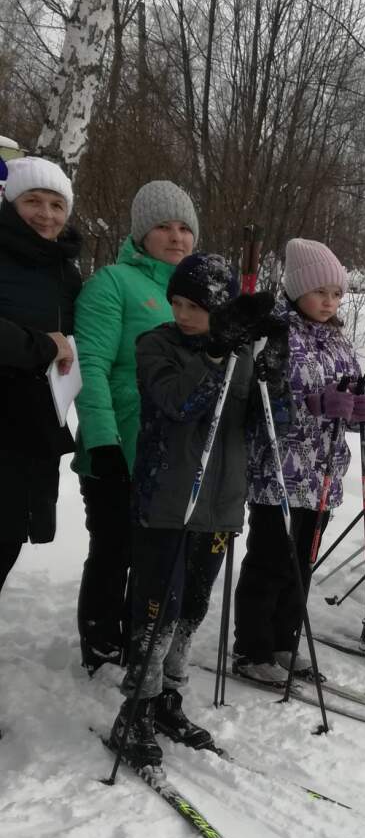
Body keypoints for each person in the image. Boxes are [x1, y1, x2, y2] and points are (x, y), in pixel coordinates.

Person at [108, 256, 282, 766]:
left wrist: (274, 373)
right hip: (167, 502)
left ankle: (169, 697)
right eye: (178, 303)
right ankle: (136, 707)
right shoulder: (155, 345)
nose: (183, 314)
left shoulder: (243, 353)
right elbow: (178, 404)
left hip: (220, 505)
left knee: (192, 609)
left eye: (197, 307)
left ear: (223, 309)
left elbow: (266, 426)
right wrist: (214, 352)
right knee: (158, 611)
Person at [233, 240, 365, 684]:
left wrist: (360, 409)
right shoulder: (275, 334)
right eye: (320, 293)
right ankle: (252, 648)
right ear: (296, 291)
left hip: (323, 473)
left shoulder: (338, 339)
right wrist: (312, 403)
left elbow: (350, 391)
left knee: (301, 564)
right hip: (278, 470)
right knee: (271, 561)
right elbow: (260, 400)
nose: (329, 302)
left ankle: (283, 641)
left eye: (336, 294)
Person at [74, 180, 200, 671]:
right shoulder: (112, 283)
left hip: (173, 453)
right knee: (114, 549)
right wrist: (102, 439)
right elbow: (91, 365)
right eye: (164, 226)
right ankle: (101, 640)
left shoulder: (194, 293)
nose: (176, 237)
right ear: (141, 233)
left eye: (185, 227)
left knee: (156, 556)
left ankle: (138, 637)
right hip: (119, 446)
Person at [0, 157, 81, 599]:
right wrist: (44, 346)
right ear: (11, 202)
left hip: (31, 429)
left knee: (8, 540)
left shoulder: (65, 271)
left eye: (56, 204)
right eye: (33, 200)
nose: (46, 214)